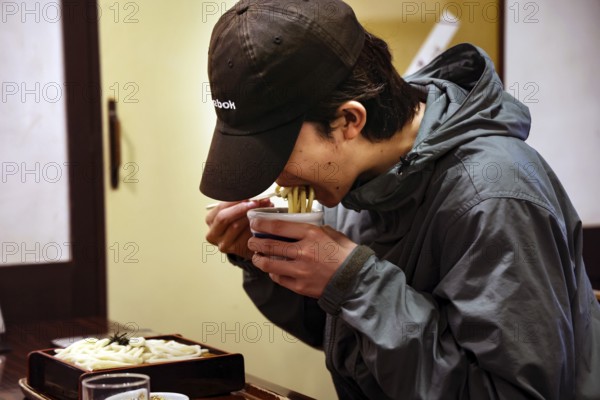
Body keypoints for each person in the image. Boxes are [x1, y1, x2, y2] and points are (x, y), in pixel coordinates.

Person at [200, 0, 600, 398]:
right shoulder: (358, 181)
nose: (274, 178)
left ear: (348, 121)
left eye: (277, 153)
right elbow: (344, 337)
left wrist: (357, 282)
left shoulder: (494, 196)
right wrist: (265, 258)